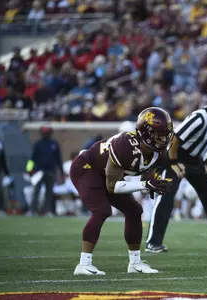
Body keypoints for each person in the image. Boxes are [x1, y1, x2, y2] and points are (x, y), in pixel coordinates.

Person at [70, 107, 174, 275]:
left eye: (166, 135)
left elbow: (145, 180)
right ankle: (83, 264)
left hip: (107, 175)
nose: (164, 140)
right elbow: (112, 187)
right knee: (101, 210)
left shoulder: (158, 154)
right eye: (159, 135)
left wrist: (154, 183)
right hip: (87, 168)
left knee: (135, 210)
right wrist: (146, 185)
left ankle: (135, 263)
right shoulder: (125, 146)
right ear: (146, 133)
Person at [146, 88, 207, 261]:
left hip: (197, 160)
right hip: (175, 155)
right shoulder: (199, 118)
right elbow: (174, 139)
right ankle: (153, 242)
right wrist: (173, 163)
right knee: (166, 195)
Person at [28, 125, 64, 216]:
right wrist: (29, 170)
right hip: (39, 171)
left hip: (51, 171)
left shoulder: (54, 144)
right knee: (36, 191)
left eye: (47, 132)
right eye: (44, 132)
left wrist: (61, 172)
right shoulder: (38, 144)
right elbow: (32, 158)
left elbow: (58, 159)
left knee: (49, 192)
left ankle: (47, 211)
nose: (46, 133)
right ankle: (33, 210)